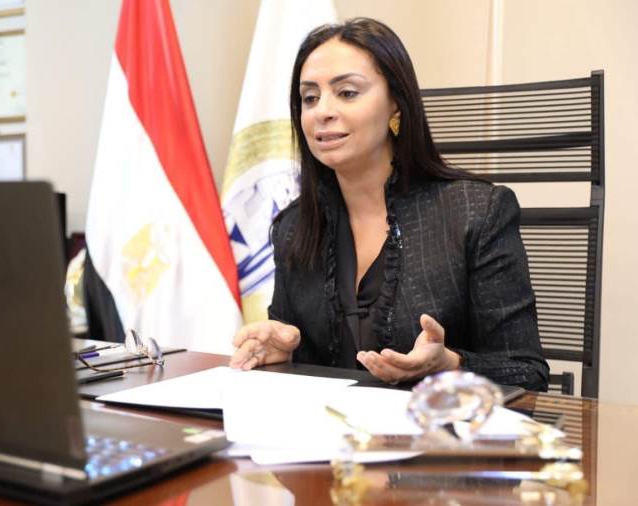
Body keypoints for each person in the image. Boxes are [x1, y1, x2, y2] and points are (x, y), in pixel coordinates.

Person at [229, 18, 549, 391]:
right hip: (328, 427)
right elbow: (304, 358)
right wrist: (282, 355)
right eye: (310, 97)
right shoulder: (293, 226)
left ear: (396, 103)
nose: (322, 111)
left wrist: (449, 364)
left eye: (347, 92)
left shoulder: (476, 212)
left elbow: (527, 373)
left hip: (437, 424)